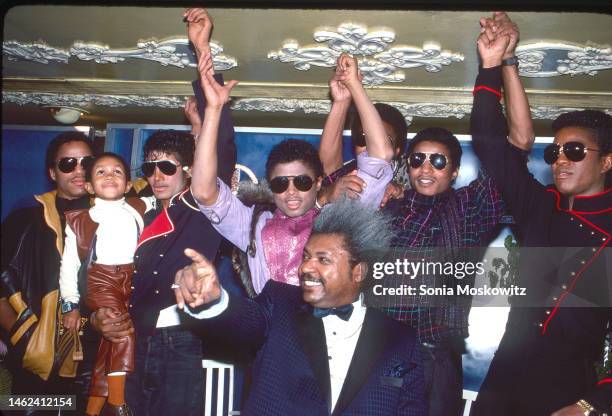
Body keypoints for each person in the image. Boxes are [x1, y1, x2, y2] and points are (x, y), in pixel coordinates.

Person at [89, 9, 237, 416]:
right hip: (132, 337)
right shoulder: (135, 213)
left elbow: (220, 146)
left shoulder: (203, 207)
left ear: (187, 170)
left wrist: (202, 49)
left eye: (167, 167)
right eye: (150, 167)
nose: (157, 175)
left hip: (179, 340)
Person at [471, 13, 611, 416]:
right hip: (502, 386)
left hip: (569, 397)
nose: (560, 161)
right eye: (555, 152)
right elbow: (488, 140)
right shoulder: (540, 205)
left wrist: (592, 404)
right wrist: (493, 64)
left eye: (576, 151)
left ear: (607, 163)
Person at [172, 198, 426, 415]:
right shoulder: (279, 303)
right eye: (306, 256)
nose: (305, 267)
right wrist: (215, 301)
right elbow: (245, 321)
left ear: (358, 271)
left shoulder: (402, 340)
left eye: (322, 259)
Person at [192, 51, 394, 294]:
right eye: (280, 184)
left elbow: (381, 155)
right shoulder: (254, 224)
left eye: (301, 182)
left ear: (319, 183)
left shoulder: (340, 218)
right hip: (271, 327)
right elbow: (204, 193)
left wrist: (355, 86)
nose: (291, 192)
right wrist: (213, 109)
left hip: (325, 326)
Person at [1, 131, 98, 414]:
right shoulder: (24, 220)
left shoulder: (115, 216)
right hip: (38, 359)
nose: (79, 170)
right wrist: (24, 335)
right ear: (52, 173)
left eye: (87, 162)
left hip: (94, 355)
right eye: (68, 163)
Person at [59, 153, 146, 416]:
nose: (109, 176)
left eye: (117, 172)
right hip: (100, 280)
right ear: (88, 187)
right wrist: (70, 305)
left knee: (108, 344)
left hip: (131, 279)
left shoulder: (140, 208)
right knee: (121, 331)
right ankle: (117, 401)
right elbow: (69, 265)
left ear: (129, 185)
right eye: (101, 172)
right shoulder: (79, 219)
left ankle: (93, 407)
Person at [317, 65, 409, 208]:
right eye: (363, 137)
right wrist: (341, 102)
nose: (370, 144)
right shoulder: (352, 171)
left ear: (397, 150)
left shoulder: (415, 174)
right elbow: (327, 169)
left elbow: (380, 155)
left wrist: (354, 85)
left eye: (386, 139)